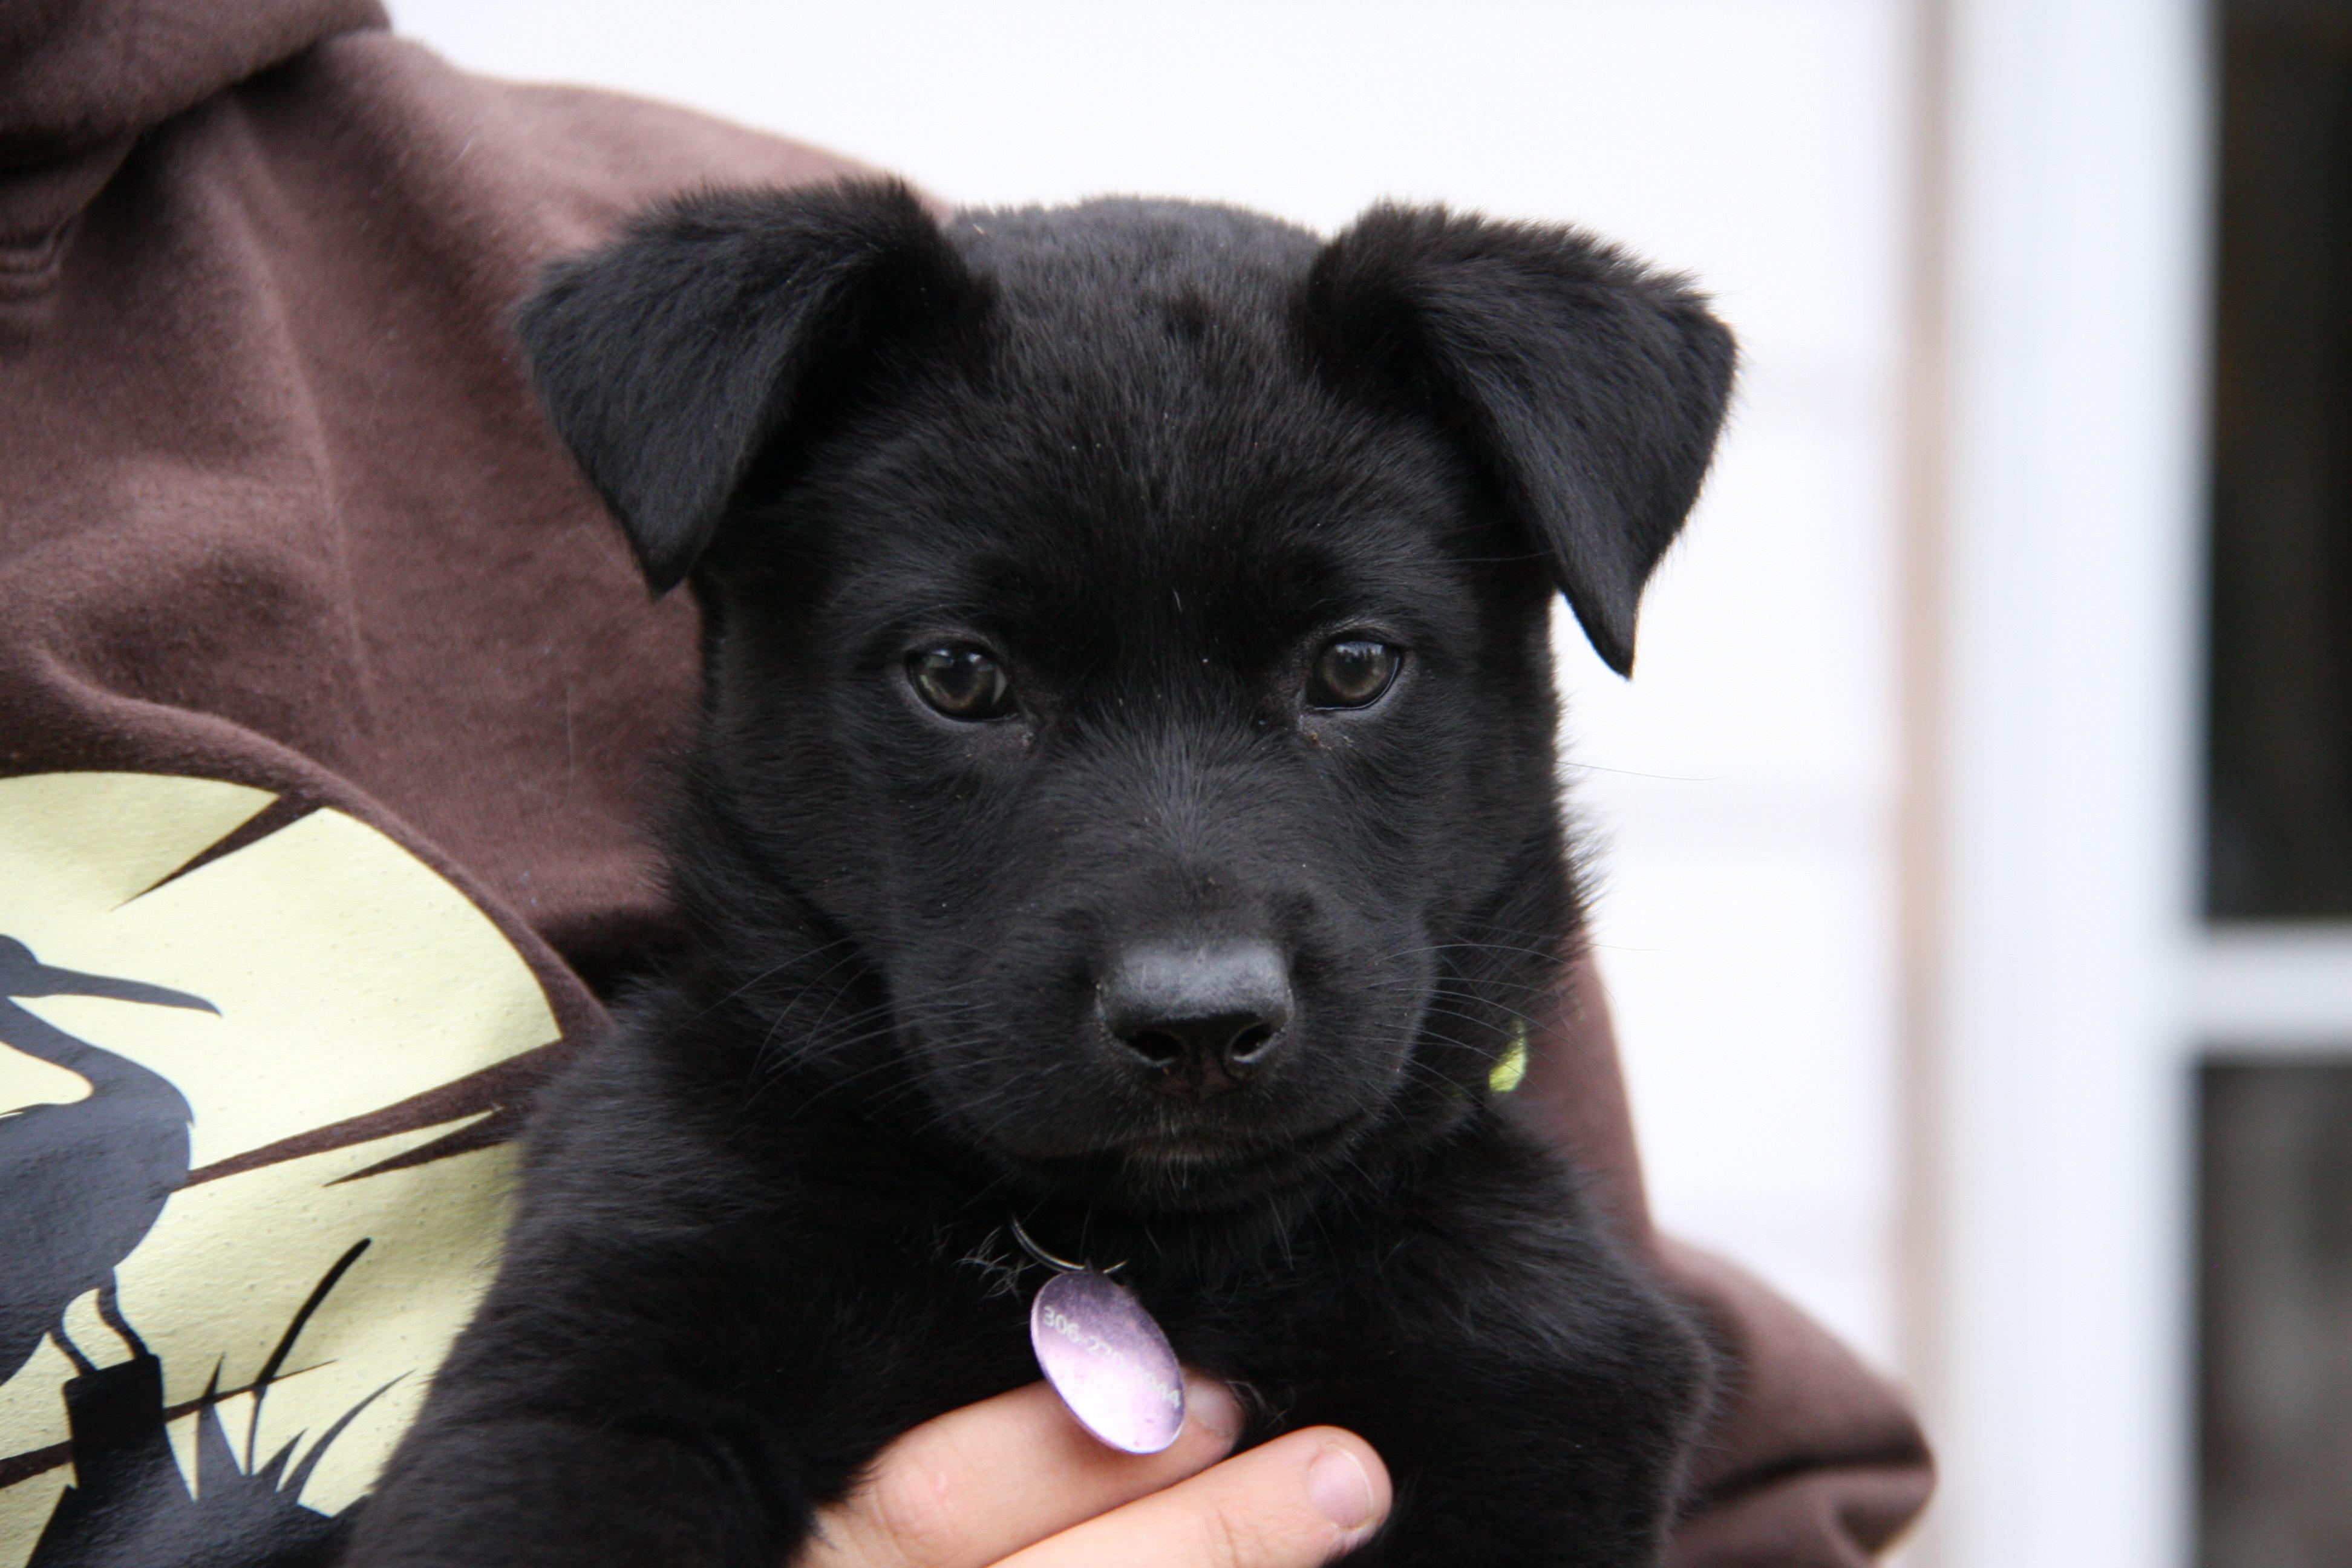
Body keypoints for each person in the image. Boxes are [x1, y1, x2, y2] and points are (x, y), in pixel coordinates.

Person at [0, 2, 1932, 1564]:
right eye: (965, 679)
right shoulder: (691, 1243)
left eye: (1348, 669)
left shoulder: (1526, 1328)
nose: (1195, 964)